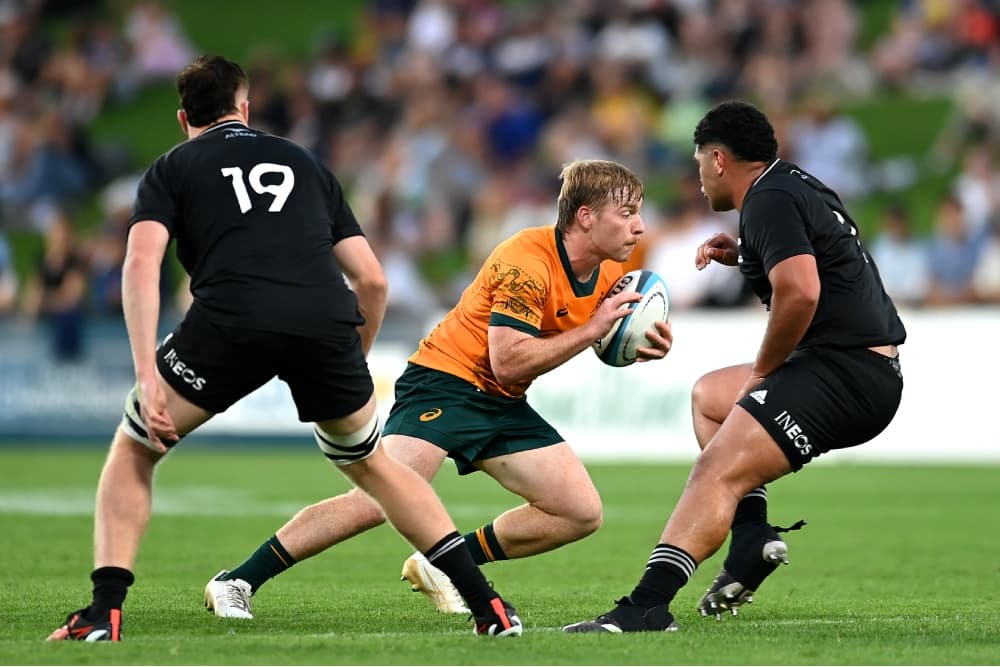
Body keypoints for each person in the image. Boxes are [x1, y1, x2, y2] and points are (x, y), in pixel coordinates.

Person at [46, 55, 521, 643]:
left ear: (181, 116)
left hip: (230, 319)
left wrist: (147, 372)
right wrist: (355, 353)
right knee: (373, 466)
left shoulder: (172, 168)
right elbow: (371, 280)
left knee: (136, 449)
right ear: (244, 107)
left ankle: (103, 615)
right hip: (322, 321)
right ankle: (489, 608)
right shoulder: (303, 161)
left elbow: (141, 263)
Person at [206, 158, 673, 619]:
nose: (639, 226)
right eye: (627, 213)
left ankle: (444, 565)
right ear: (586, 217)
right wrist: (594, 331)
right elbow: (508, 361)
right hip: (444, 383)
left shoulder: (614, 274)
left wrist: (640, 342)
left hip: (501, 401)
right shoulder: (525, 260)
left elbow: (586, 337)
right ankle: (237, 580)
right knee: (374, 502)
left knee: (578, 512)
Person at [563, 100, 906, 634]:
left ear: (719, 159)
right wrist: (748, 252)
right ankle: (750, 540)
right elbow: (826, 259)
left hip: (845, 374)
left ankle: (646, 607)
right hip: (860, 366)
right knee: (709, 399)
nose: (699, 180)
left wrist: (764, 373)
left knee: (714, 471)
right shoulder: (793, 185)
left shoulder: (767, 200)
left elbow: (801, 292)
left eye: (700, 164)